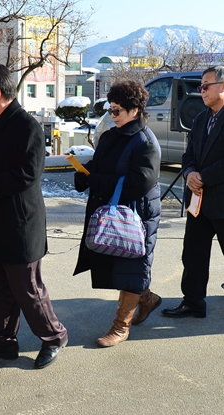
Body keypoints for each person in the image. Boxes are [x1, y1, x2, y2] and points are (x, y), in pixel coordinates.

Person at [0, 64, 68, 369]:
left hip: (21, 222)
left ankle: (54, 337)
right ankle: (3, 342)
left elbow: (28, 173)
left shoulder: (27, 126)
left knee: (28, 288)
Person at [73, 80, 162, 347]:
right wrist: (84, 174)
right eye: (110, 109)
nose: (112, 115)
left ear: (135, 110)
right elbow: (99, 164)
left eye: (117, 110)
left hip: (137, 214)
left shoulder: (145, 141)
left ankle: (121, 327)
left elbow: (140, 182)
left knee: (132, 265)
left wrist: (97, 180)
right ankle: (147, 299)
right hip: (114, 210)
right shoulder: (111, 135)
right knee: (119, 263)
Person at [162, 66, 224, 319]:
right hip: (199, 201)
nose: (202, 91)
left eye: (206, 85)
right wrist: (189, 173)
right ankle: (193, 302)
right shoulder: (200, 119)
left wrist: (203, 177)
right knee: (193, 254)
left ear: (223, 86)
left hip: (221, 199)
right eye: (200, 87)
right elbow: (188, 154)